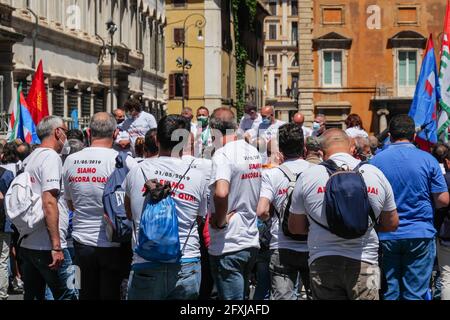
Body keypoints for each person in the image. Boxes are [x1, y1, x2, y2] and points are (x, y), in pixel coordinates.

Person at [289, 128, 399, 300]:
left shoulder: (308, 177)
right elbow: (392, 223)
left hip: (323, 261)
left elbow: (295, 227)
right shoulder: (375, 173)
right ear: (353, 148)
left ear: (320, 152)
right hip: (367, 263)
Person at [125, 115, 211, 300]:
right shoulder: (198, 176)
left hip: (145, 261)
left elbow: (129, 212)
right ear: (186, 141)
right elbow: (200, 217)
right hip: (186, 262)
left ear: (156, 139)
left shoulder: (136, 171)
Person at [371, 115, 450, 300]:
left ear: (390, 136)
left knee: (390, 292)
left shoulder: (376, 161)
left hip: (386, 234)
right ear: (414, 136)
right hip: (419, 233)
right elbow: (443, 200)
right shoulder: (428, 160)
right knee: (415, 293)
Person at [63, 112, 137, 300]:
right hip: (115, 242)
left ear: (88, 132)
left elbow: (70, 203)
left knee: (84, 293)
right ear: (115, 133)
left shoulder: (70, 160)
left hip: (80, 243)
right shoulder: (125, 161)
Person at [208, 107, 262, 300]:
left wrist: (221, 220)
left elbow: (221, 193)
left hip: (228, 242)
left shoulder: (222, 155)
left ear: (213, 129)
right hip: (250, 238)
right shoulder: (253, 152)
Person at [20, 116, 76, 300]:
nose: (66, 137)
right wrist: (56, 246)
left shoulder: (29, 158)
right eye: (66, 132)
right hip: (48, 245)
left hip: (28, 242)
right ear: (58, 132)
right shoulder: (51, 157)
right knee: (68, 294)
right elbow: (49, 201)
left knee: (34, 295)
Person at [257, 123, 312, 300]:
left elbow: (262, 211)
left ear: (280, 149)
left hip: (281, 246)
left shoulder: (272, 174)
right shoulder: (317, 172)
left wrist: (272, 217)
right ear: (304, 147)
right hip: (313, 245)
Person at [432, 143, 450, 300]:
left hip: (446, 234)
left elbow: (438, 206)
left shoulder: (443, 181)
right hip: (445, 234)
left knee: (446, 278)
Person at [0, 165, 15, 300]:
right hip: (4, 224)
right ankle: (1, 293)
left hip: (4, 224)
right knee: (2, 260)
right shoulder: (7, 175)